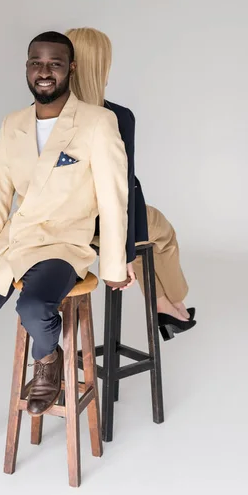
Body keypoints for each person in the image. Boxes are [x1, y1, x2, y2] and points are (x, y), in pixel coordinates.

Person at [0, 31, 133, 469]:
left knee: (35, 307)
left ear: (70, 68)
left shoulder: (96, 123)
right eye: (36, 62)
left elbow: (114, 199)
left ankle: (48, 359)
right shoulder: (12, 124)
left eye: (55, 63)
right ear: (26, 67)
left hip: (63, 244)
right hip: (14, 244)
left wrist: (113, 265)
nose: (44, 71)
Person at [66, 27, 196, 341]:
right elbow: (124, 190)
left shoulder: (45, 114)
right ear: (99, 66)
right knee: (160, 231)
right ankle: (170, 302)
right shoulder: (116, 116)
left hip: (67, 223)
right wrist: (121, 255)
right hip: (107, 221)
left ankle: (166, 303)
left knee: (142, 229)